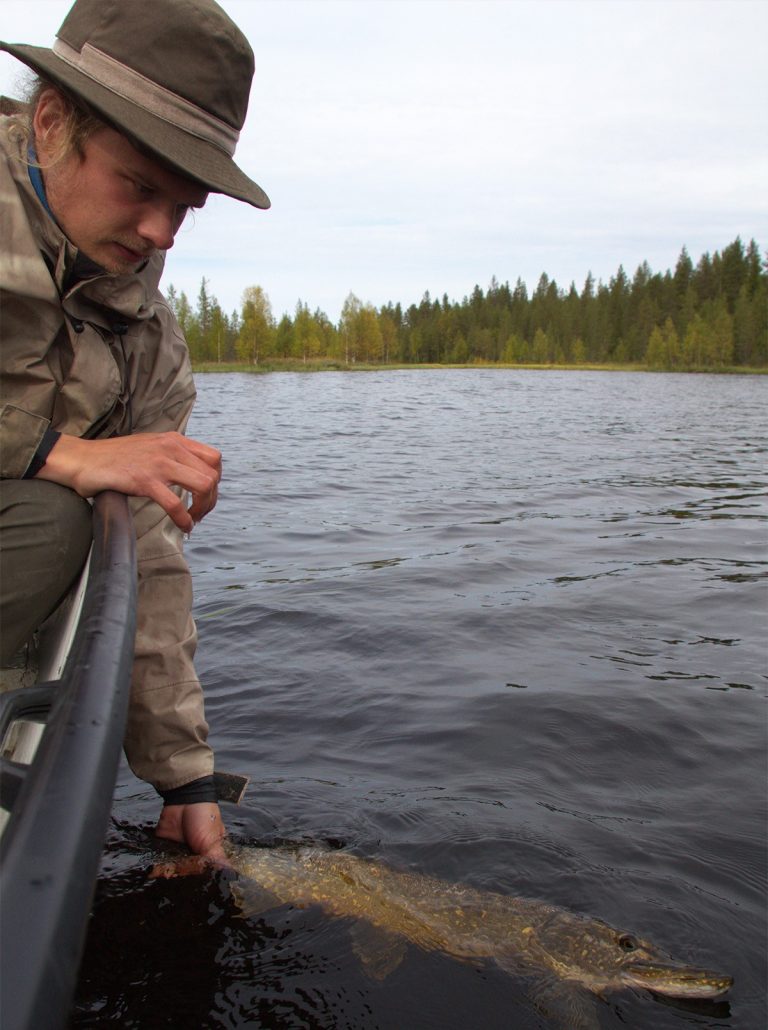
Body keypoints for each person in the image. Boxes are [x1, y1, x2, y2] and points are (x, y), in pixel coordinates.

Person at [0, 0, 270, 859]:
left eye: (183, 205)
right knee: (53, 515)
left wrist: (183, 775)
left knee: (75, 526)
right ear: (51, 122)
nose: (161, 233)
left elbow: (152, 557)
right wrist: (55, 452)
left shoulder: (149, 341)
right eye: (139, 187)